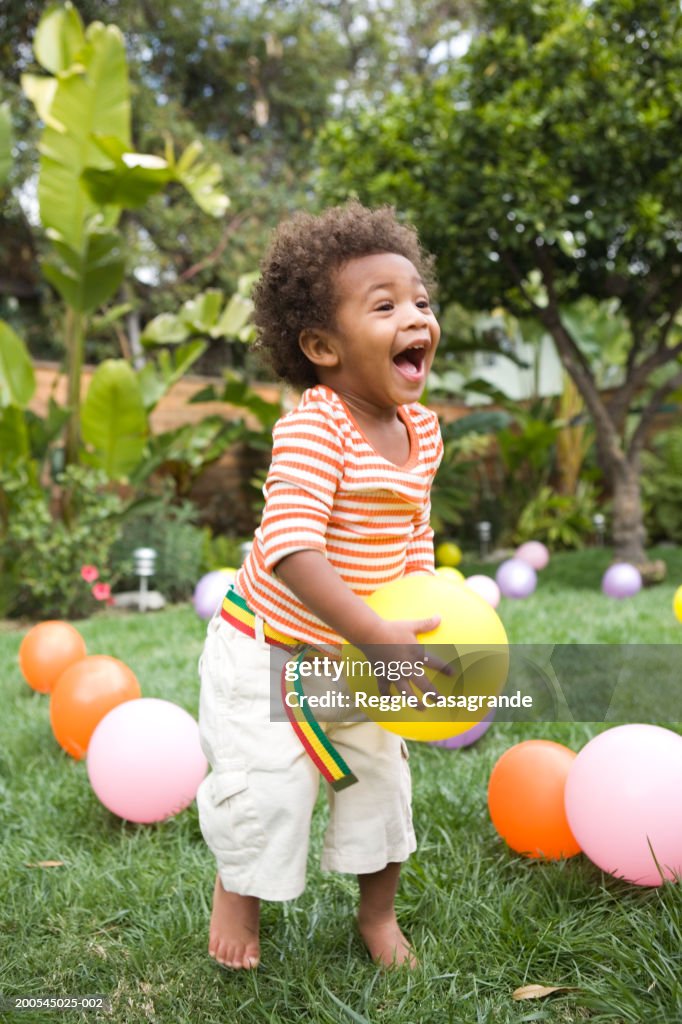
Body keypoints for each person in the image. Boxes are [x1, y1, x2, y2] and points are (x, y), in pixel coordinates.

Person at [196, 201, 444, 971]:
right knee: (269, 793)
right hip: (264, 652)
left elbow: (413, 535)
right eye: (386, 306)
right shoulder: (316, 427)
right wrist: (371, 631)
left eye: (421, 302)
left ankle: (377, 914)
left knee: (382, 785)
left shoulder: (423, 431)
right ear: (321, 346)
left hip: (356, 654)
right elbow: (292, 550)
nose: (415, 317)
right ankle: (240, 892)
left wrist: (420, 616)